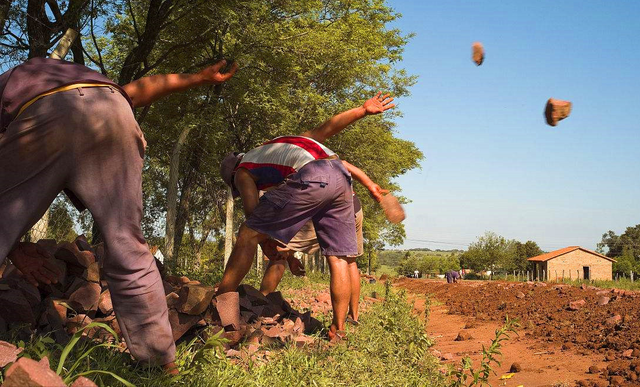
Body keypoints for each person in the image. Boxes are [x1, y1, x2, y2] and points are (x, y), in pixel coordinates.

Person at [0, 56, 238, 372]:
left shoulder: (14, 80)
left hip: (45, 113)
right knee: (127, 245)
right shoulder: (89, 80)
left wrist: (12, 242)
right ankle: (162, 364)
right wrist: (197, 77)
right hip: (111, 110)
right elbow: (138, 90)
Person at [217, 93, 394, 340]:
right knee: (340, 258)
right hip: (342, 179)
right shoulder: (285, 144)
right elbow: (328, 127)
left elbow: (253, 216)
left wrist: (268, 242)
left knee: (247, 234)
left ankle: (221, 303)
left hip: (313, 176)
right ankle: (338, 330)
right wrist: (362, 111)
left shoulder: (243, 169)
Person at [257, 161, 386, 326]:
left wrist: (288, 253)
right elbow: (344, 164)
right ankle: (352, 318)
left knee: (280, 246)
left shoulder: (283, 168)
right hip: (353, 206)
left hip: (333, 207)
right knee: (348, 261)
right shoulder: (316, 155)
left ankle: (263, 300)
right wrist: (370, 184)